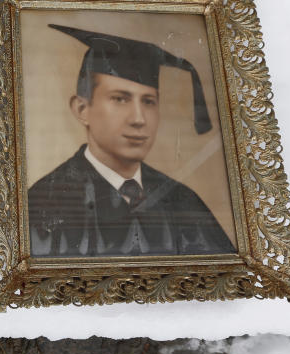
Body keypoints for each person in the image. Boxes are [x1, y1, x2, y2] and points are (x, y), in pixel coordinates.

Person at [27, 24, 236, 258]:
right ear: (82, 109)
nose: (139, 119)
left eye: (148, 102)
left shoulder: (183, 202)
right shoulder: (45, 205)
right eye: (120, 99)